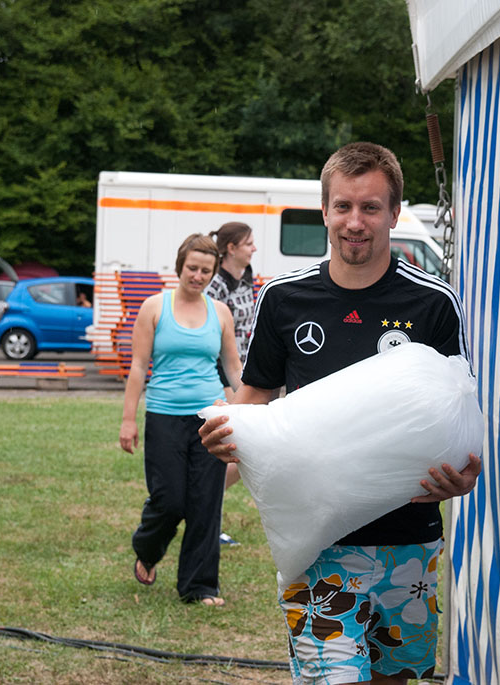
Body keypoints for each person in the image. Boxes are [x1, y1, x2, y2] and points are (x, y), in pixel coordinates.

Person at [199, 142, 482, 683]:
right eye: (343, 206)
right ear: (324, 211)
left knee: (397, 679)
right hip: (317, 542)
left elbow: (460, 415)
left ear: (394, 213)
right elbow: (255, 396)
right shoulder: (284, 298)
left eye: (371, 207)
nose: (355, 222)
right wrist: (226, 437)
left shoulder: (434, 302)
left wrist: (465, 476)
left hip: (409, 542)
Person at [120, 233, 242, 607]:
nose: (198, 276)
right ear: (180, 266)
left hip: (210, 418)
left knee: (206, 503)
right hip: (164, 415)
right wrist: (128, 420)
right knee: (169, 500)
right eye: (192, 268)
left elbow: (233, 368)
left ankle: (199, 587)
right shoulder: (154, 307)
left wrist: (249, 407)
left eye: (205, 270)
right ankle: (147, 548)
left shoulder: (220, 312)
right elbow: (138, 367)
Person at [207, 222, 258, 546]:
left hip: (242, 372)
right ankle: (203, 511)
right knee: (236, 447)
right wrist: (230, 385)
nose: (254, 249)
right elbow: (210, 336)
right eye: (248, 243)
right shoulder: (215, 286)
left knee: (244, 453)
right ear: (231, 248)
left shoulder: (247, 277)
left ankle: (199, 503)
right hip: (220, 373)